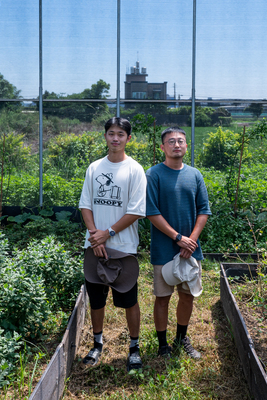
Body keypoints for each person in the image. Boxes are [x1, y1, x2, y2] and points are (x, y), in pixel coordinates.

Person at [78, 117, 147, 372]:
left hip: (123, 247)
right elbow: (85, 204)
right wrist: (94, 236)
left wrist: (107, 233)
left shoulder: (134, 170)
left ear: (129, 138)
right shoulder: (95, 167)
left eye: (120, 134)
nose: (115, 138)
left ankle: (134, 347)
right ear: (105, 136)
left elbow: (137, 210)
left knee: (129, 299)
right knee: (96, 298)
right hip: (95, 245)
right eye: (110, 133)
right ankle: (97, 343)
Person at [146, 126, 211, 359]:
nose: (176, 145)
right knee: (162, 297)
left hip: (191, 249)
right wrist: (177, 238)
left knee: (187, 295)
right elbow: (151, 212)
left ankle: (181, 338)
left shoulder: (195, 175)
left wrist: (191, 240)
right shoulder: (153, 174)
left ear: (186, 146)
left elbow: (204, 210)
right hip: (164, 248)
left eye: (181, 141)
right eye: (171, 141)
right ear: (162, 147)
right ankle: (162, 344)